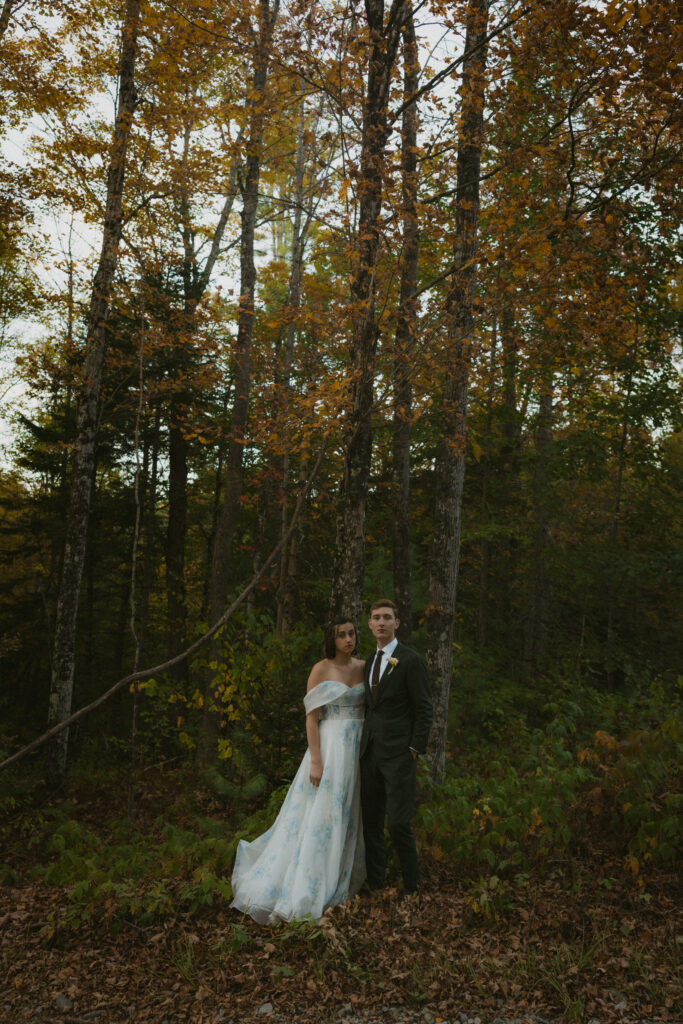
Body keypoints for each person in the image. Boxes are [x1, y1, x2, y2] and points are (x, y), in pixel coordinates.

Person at [230, 617, 366, 923]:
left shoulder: (363, 667)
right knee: (321, 814)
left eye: (351, 633)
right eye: (341, 635)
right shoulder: (321, 669)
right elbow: (311, 717)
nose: (348, 639)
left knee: (348, 810)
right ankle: (310, 884)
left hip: (358, 748)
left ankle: (340, 872)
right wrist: (316, 760)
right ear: (331, 640)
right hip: (331, 748)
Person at [360, 599, 433, 893]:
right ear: (369, 624)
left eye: (387, 617)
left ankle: (412, 885)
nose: (381, 622)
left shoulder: (410, 660)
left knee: (400, 824)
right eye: (376, 618)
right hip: (370, 754)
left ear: (397, 623)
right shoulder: (368, 662)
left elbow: (424, 708)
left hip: (399, 755)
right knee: (372, 823)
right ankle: (375, 883)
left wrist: (414, 748)